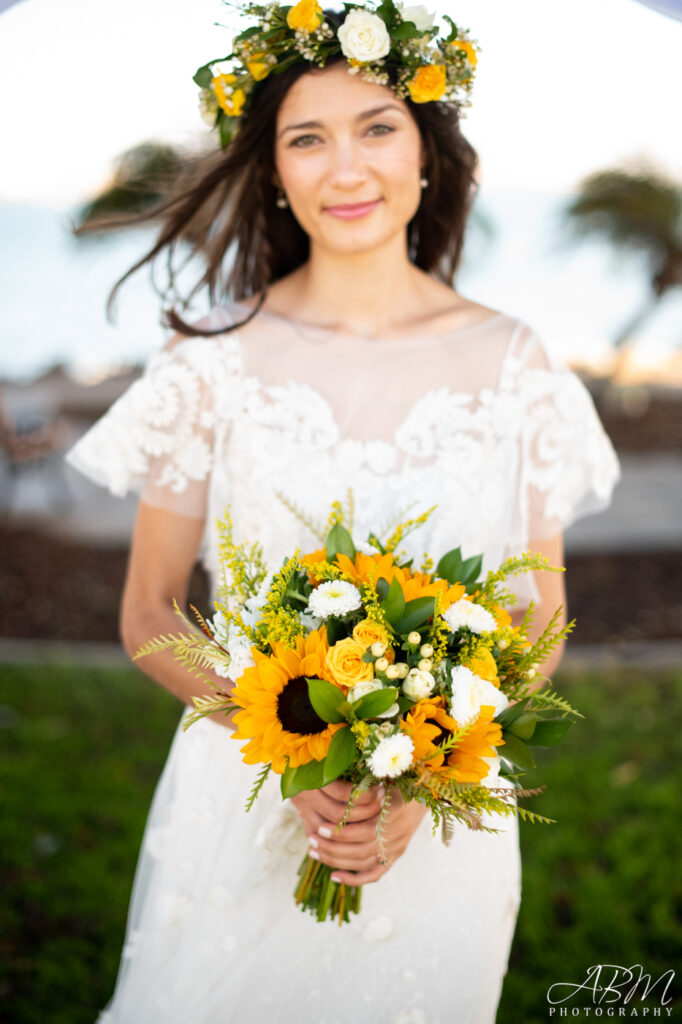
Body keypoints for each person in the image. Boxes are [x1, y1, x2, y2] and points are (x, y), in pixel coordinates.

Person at [65, 3, 620, 1021]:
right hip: (240, 804)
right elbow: (149, 608)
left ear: (428, 156)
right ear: (273, 169)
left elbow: (540, 614)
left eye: (376, 127)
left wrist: (436, 758)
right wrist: (281, 741)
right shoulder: (209, 363)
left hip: (444, 820)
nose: (345, 167)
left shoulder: (516, 363)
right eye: (306, 139)